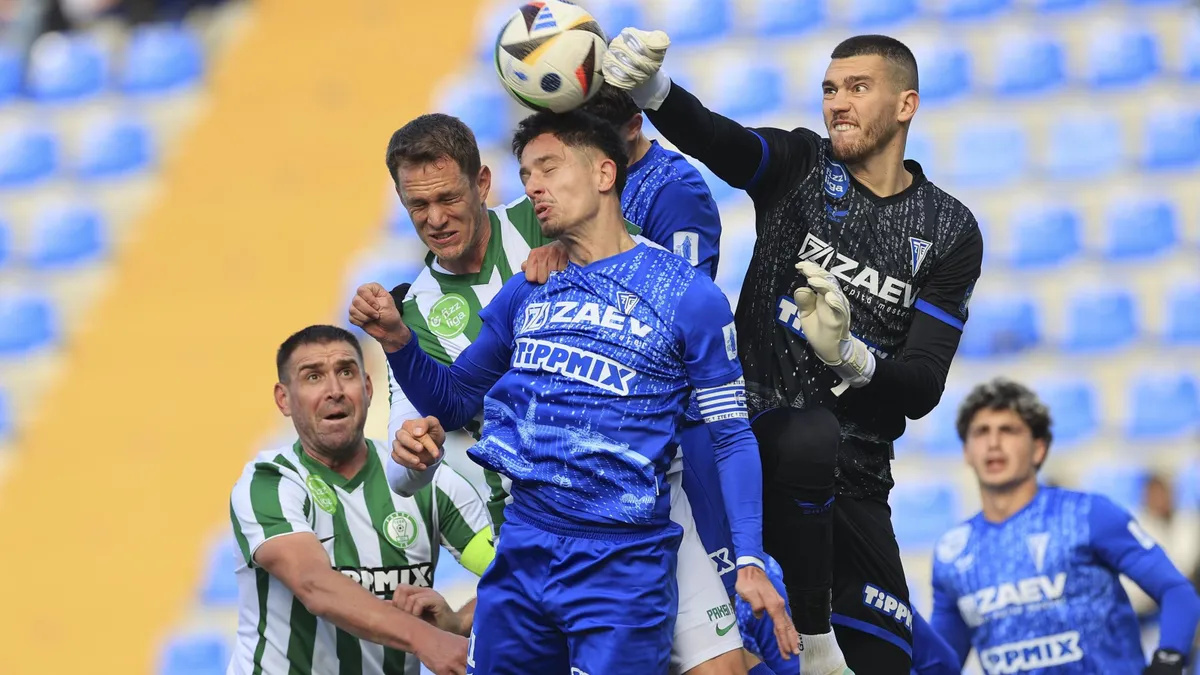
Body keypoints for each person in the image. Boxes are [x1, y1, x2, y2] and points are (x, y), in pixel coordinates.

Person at [353, 110, 796, 674]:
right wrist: (397, 341)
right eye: (526, 174)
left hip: (639, 528)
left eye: (548, 169)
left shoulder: (683, 292)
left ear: (604, 174)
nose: (534, 185)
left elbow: (731, 434)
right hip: (528, 530)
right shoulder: (521, 290)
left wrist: (751, 557)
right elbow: (454, 399)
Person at [602, 28, 985, 675]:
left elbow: (922, 385)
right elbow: (716, 138)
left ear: (906, 105)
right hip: (750, 450)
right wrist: (654, 90)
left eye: (857, 88)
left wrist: (850, 356)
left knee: (899, 661)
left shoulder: (949, 229)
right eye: (830, 90)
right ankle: (812, 635)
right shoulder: (802, 165)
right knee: (810, 433)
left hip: (857, 479)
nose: (838, 103)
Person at [227, 325, 494, 675]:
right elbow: (313, 584)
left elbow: (517, 572)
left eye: (346, 372)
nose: (334, 390)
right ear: (284, 399)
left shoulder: (430, 481)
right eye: (313, 377)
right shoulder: (270, 482)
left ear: (368, 388)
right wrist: (425, 639)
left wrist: (459, 623)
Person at [930, 377, 1200, 674]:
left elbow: (1177, 591)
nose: (993, 443)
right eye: (981, 432)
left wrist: (1168, 661)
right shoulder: (952, 551)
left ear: (1039, 448)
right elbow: (940, 664)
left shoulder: (1087, 515)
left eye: (1008, 430)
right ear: (967, 451)